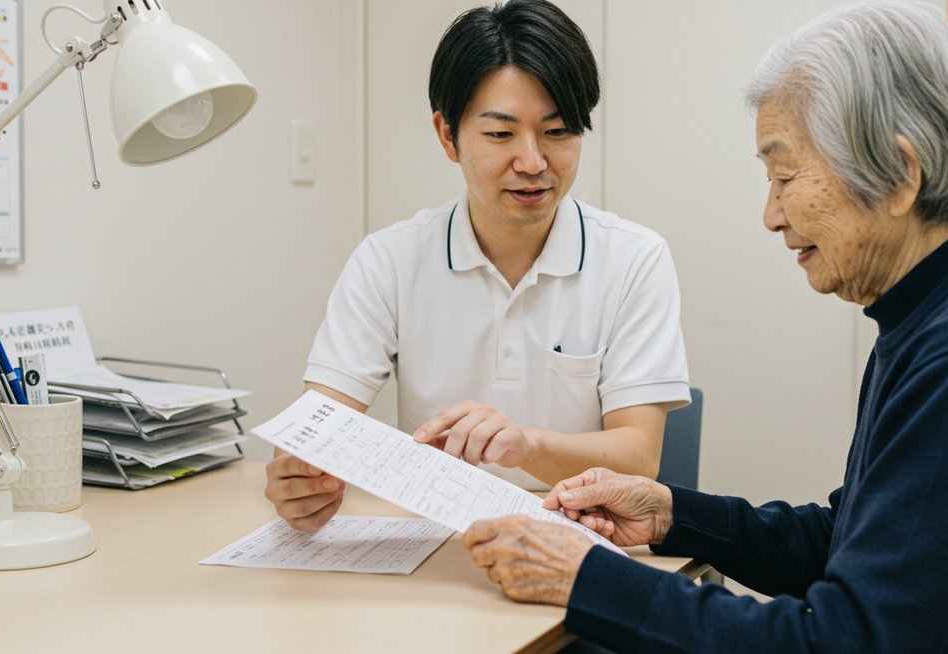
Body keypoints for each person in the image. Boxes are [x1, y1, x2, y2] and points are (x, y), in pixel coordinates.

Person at [462, 2, 948, 651]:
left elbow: (847, 641)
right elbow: (851, 546)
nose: (771, 214)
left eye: (785, 176)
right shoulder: (946, 304)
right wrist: (671, 514)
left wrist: (585, 577)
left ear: (900, 175)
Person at [265, 0, 691, 532]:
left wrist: (525, 444)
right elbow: (319, 424)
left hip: (578, 539)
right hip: (433, 541)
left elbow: (637, 458)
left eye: (557, 132)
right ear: (448, 135)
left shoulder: (634, 259)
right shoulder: (389, 259)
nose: (533, 162)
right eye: (500, 134)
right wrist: (303, 479)